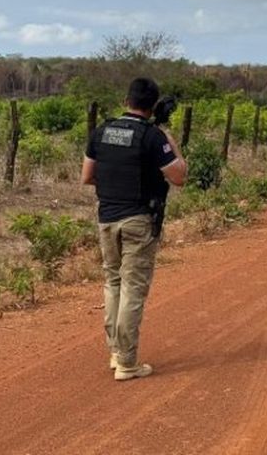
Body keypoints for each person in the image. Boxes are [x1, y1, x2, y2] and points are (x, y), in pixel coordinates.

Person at [81, 77, 187, 381]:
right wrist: (171, 142)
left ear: (126, 100)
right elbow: (179, 177)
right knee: (133, 288)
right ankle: (128, 362)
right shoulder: (153, 136)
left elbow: (87, 176)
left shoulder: (101, 131)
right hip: (139, 219)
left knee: (113, 282)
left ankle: (116, 352)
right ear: (152, 106)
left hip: (107, 217)